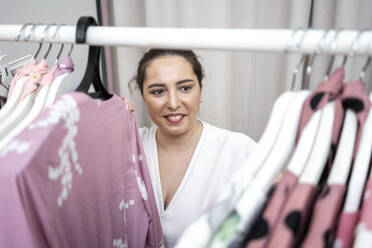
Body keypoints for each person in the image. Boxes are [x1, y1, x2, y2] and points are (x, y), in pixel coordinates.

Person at [129, 48, 256, 247]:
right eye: (158, 91)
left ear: (200, 90)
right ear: (144, 96)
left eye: (185, 88)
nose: (173, 103)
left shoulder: (239, 150)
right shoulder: (128, 146)